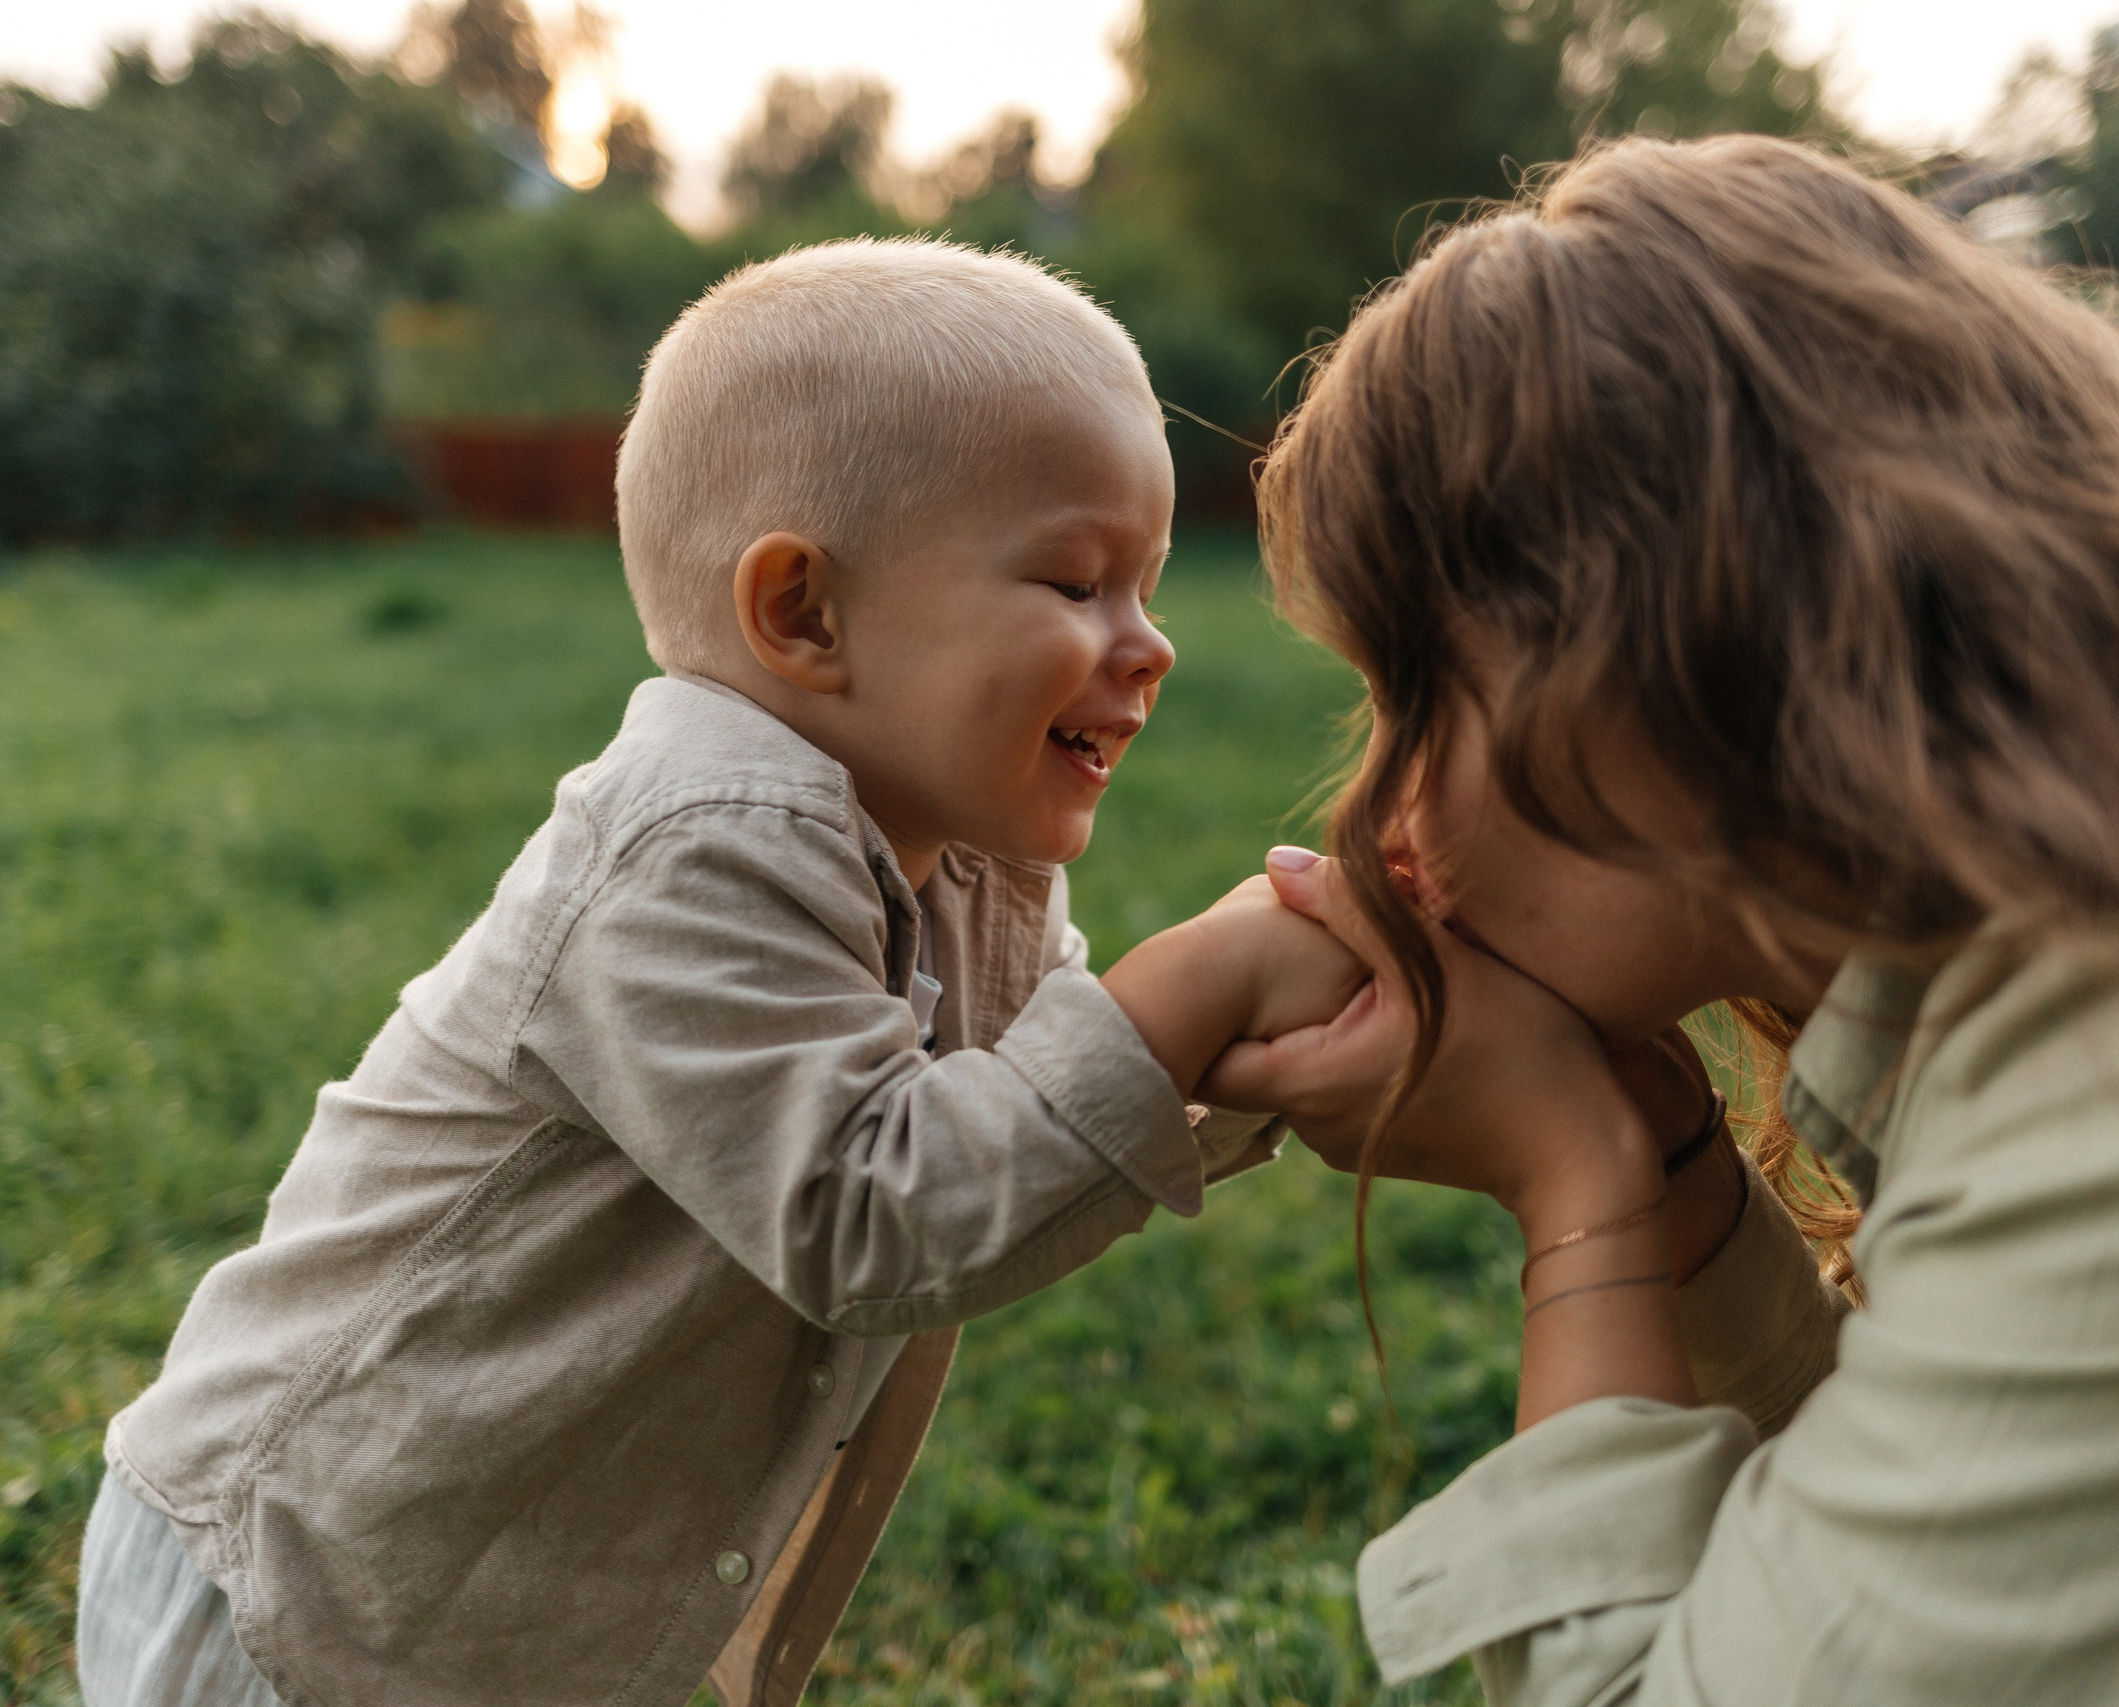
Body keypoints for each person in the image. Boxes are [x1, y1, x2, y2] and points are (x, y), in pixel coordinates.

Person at [76, 239, 1365, 1707]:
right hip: (300, 1599)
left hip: (478, 1616)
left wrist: (1288, 1038)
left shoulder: (973, 858)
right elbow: (882, 1213)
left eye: (1146, 583)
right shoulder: (696, 846)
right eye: (1078, 581)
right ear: (803, 614)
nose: (1151, 647)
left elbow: (1025, 1137)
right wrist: (1207, 986)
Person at [1201, 135, 2119, 1702]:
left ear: (1665, 637)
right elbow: (1916, 1521)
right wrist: (1664, 1171)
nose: (1377, 824)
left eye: (1415, 692)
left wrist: (1572, 1183)